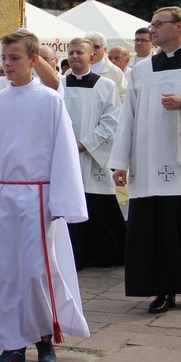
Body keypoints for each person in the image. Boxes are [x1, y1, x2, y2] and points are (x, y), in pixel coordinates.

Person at [0, 30, 90, 362]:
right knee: (4, 274)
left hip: (36, 197)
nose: (7, 65)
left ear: (34, 61)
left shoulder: (49, 101)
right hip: (1, 196)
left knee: (35, 272)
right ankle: (11, 345)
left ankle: (44, 339)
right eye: (4, 58)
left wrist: (59, 202)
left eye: (14, 58)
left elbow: (63, 153)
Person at [110, 6, 181, 313]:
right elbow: (128, 117)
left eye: (157, 24)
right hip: (149, 163)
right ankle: (163, 290)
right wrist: (120, 161)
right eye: (150, 25)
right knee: (154, 230)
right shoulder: (141, 69)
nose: (151, 30)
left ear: (179, 26)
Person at [63, 38, 125, 270]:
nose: (74, 56)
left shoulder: (106, 86)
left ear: (92, 57)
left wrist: (84, 144)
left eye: (80, 52)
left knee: (96, 201)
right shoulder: (58, 84)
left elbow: (111, 121)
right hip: (63, 155)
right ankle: (73, 255)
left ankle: (103, 254)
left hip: (91, 155)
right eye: (71, 52)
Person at [84, 31, 127, 103]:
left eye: (96, 47)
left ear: (104, 49)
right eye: (89, 46)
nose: (92, 50)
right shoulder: (72, 71)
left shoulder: (116, 72)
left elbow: (123, 97)